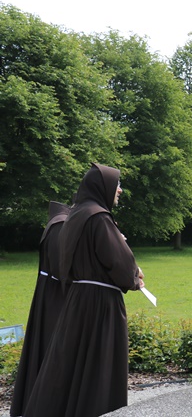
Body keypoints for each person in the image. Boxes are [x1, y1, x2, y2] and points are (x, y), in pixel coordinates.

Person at [24, 164, 142, 417]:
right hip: (100, 303)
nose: (120, 190)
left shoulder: (76, 215)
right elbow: (120, 262)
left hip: (78, 300)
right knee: (98, 362)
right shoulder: (99, 218)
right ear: (103, 186)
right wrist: (135, 278)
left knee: (70, 362)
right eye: (117, 184)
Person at [11, 200, 72, 416]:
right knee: (51, 347)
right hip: (55, 296)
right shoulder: (60, 225)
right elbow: (60, 267)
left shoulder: (58, 222)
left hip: (51, 293)